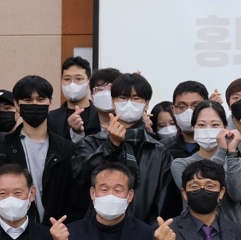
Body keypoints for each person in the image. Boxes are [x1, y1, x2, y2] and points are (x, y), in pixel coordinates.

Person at [74, 72, 180, 223]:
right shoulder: (91, 142)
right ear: (113, 102)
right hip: (97, 228)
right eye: (123, 98)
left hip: (143, 232)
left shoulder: (159, 152)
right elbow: (80, 181)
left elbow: (164, 204)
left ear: (146, 104)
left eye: (136, 98)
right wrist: (111, 146)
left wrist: (149, 232)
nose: (129, 103)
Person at [0, 74, 76, 224]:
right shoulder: (2, 145)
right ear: (17, 104)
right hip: (12, 229)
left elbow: (73, 197)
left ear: (50, 102)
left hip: (55, 230)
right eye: (28, 100)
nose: (34, 105)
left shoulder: (66, 149)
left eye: (40, 100)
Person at [170, 100, 241, 222]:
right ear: (193, 128)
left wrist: (232, 154)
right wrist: (222, 150)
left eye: (215, 125)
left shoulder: (240, 163)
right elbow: (204, 183)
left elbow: (238, 195)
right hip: (193, 230)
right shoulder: (181, 164)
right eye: (201, 125)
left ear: (225, 128)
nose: (208, 129)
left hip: (232, 229)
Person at [52, 56, 100, 144]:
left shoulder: (100, 116)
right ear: (61, 82)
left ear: (89, 83)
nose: (72, 84)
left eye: (79, 79)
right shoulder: (52, 118)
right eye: (67, 79)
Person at [170, 81, 211, 156]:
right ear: (173, 110)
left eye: (195, 106)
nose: (189, 112)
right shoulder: (163, 150)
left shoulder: (220, 147)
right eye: (182, 107)